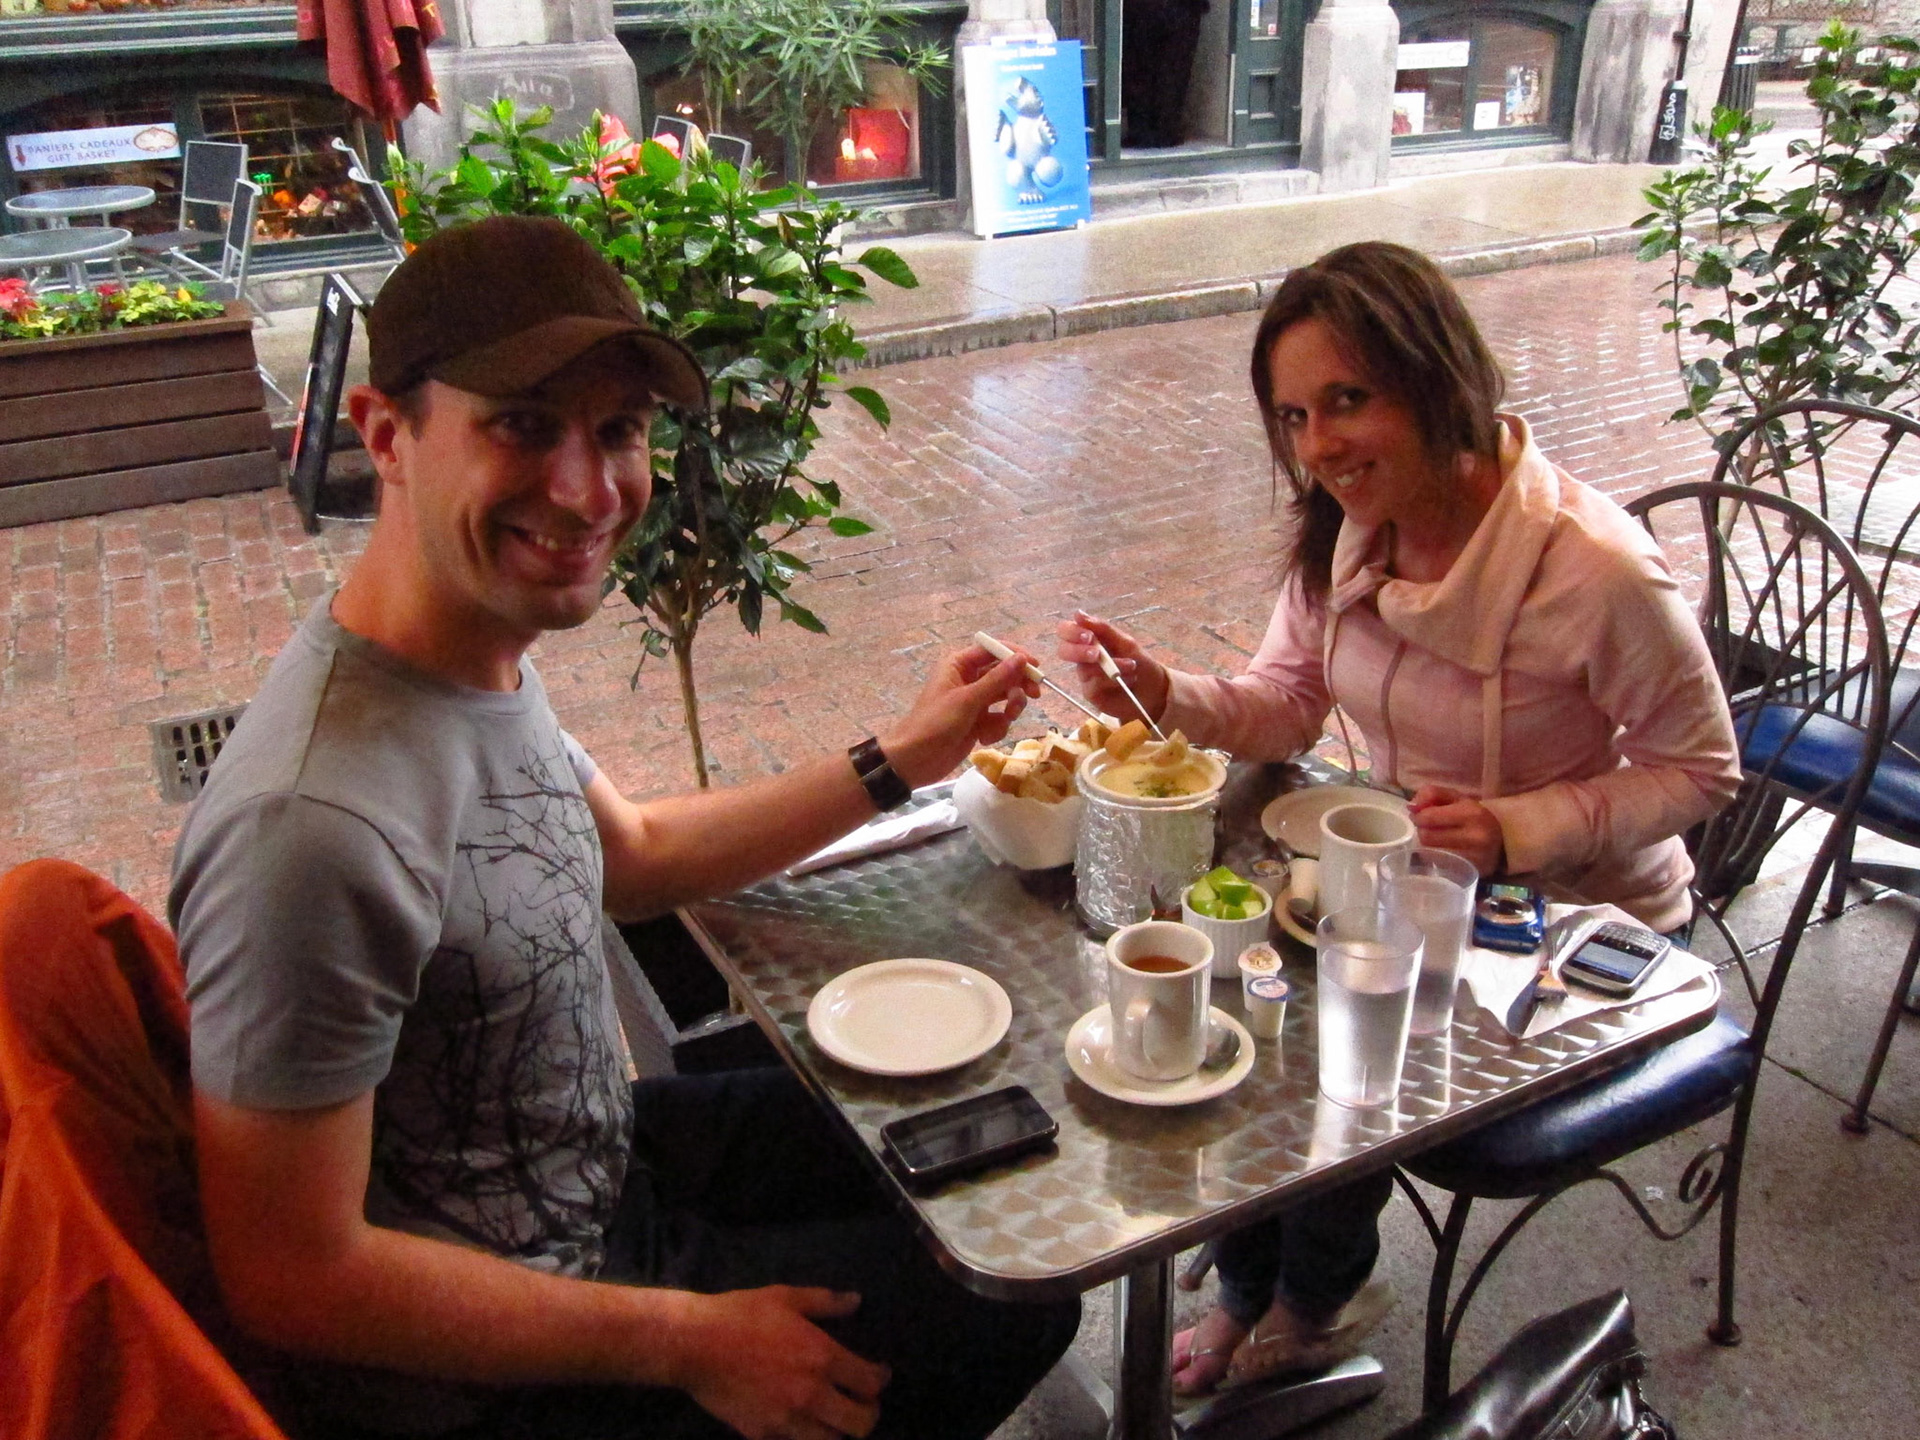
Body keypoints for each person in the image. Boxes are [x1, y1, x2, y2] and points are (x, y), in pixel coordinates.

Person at [171, 215, 1078, 1440]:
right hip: (504, 1385)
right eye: (523, 426)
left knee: (1001, 1140)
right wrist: (690, 1341)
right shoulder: (310, 825)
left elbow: (633, 859)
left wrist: (903, 759)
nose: (589, 492)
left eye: (617, 432)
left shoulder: (467, 657)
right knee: (1013, 1303)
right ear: (385, 435)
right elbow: (293, 1276)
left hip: (601, 1167)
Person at [1056, 241, 1741, 1394]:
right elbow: (1286, 703)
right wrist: (1161, 694)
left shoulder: (1597, 570)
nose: (1318, 446)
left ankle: (1311, 1297)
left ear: (1436, 379)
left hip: (1576, 932)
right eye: (1294, 416)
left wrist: (1520, 828)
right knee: (1244, 983)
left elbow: (1703, 771)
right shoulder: (1347, 525)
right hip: (1407, 890)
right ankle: (1248, 1276)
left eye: (1347, 400)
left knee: (1334, 1040)